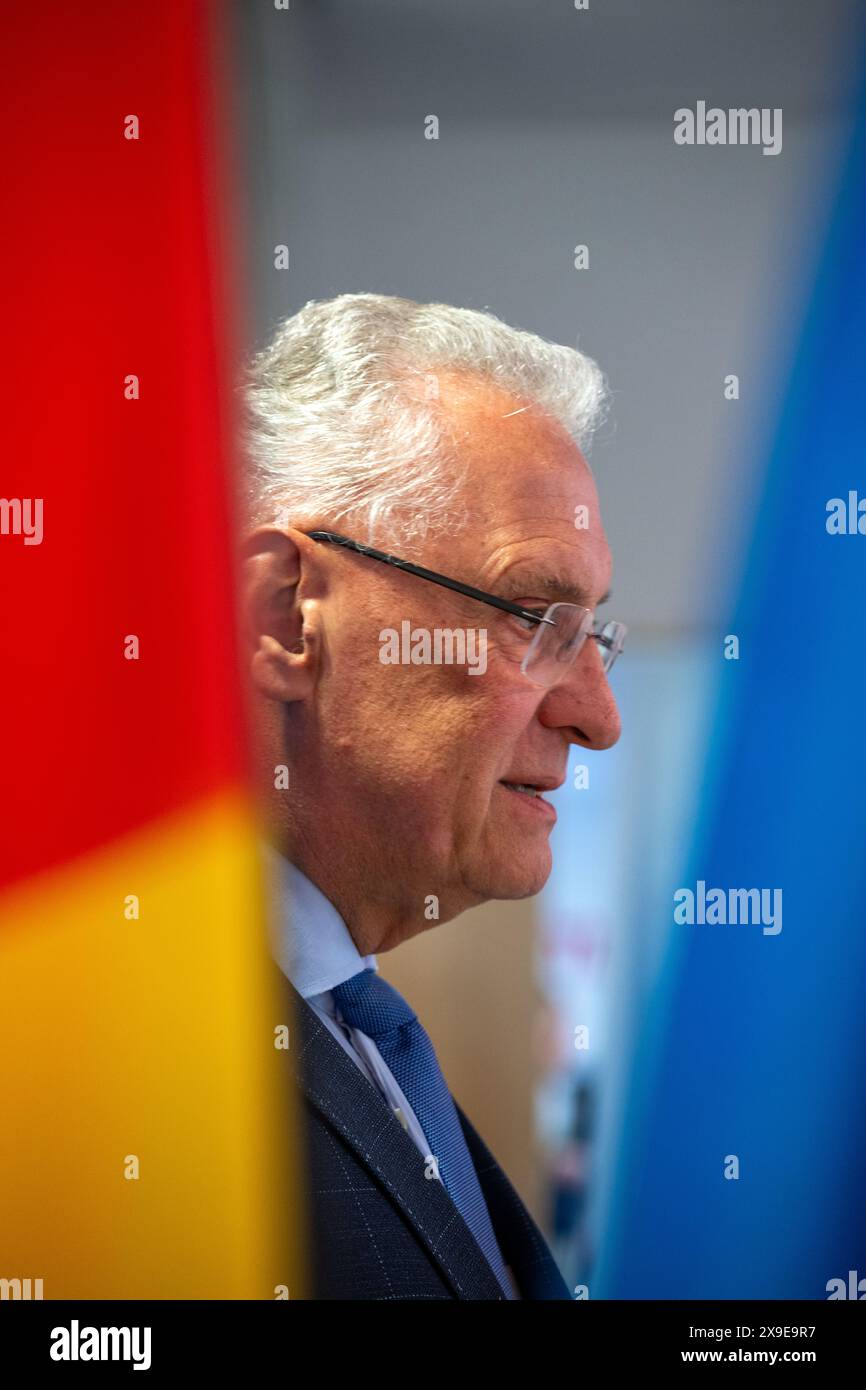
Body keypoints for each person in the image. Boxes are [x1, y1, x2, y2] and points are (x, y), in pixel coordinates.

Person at [241, 293, 624, 1299]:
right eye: (534, 617)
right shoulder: (92, 1053)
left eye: (594, 635)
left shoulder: (354, 1024)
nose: (596, 715)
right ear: (285, 615)